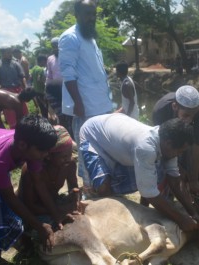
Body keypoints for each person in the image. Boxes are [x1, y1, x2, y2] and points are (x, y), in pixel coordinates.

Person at [0, 115, 63, 265]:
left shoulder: (31, 148)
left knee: (2, 212)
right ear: (22, 145)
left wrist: (56, 215)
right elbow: (10, 198)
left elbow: (39, 183)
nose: (45, 155)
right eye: (42, 151)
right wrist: (39, 226)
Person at [79, 113, 199, 232]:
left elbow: (174, 181)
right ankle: (92, 195)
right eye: (180, 151)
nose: (179, 155)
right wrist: (181, 219)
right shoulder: (146, 147)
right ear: (169, 144)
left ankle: (138, 204)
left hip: (115, 140)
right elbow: (149, 192)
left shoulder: (168, 141)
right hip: (93, 135)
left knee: (156, 173)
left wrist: (193, 213)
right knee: (103, 189)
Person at [59, 0, 113, 189]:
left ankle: (104, 185)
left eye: (94, 14)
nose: (92, 18)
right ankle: (90, 189)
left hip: (101, 105)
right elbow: (68, 73)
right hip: (86, 108)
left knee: (104, 148)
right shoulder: (70, 37)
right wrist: (78, 103)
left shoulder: (90, 38)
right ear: (77, 14)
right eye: (87, 13)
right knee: (87, 150)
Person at [152, 85, 199, 198]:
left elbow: (196, 147)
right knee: (166, 166)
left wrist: (193, 180)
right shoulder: (161, 110)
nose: (190, 120)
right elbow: (163, 147)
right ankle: (169, 196)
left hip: (186, 137)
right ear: (175, 106)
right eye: (186, 115)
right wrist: (180, 171)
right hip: (168, 141)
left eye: (193, 116)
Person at [18, 125, 79, 217]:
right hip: (34, 210)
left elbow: (73, 186)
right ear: (49, 155)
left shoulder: (70, 164)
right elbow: (30, 206)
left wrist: (75, 195)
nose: (68, 159)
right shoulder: (31, 169)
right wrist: (60, 210)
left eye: (70, 154)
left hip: (54, 203)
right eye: (64, 156)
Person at [0, 46, 28, 129]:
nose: (11, 54)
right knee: (11, 115)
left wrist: (25, 87)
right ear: (2, 53)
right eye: (8, 52)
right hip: (6, 93)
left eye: (11, 52)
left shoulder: (16, 63)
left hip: (18, 90)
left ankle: (27, 131)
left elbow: (22, 76)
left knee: (24, 113)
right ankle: (14, 134)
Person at [46, 37, 72, 135]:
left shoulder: (68, 56)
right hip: (56, 90)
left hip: (69, 88)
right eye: (53, 46)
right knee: (59, 113)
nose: (55, 48)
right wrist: (47, 90)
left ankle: (71, 134)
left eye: (57, 45)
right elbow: (49, 76)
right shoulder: (50, 59)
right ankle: (64, 134)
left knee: (70, 113)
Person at [30, 54, 48, 118]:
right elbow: (39, 79)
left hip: (36, 91)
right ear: (42, 61)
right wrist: (46, 83)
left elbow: (31, 78)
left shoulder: (34, 68)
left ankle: (44, 119)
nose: (46, 63)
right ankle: (46, 122)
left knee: (42, 108)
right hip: (42, 92)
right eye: (45, 61)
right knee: (45, 108)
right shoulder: (41, 69)